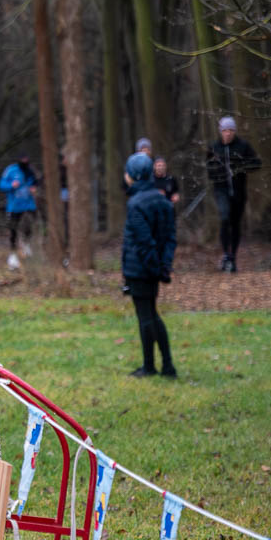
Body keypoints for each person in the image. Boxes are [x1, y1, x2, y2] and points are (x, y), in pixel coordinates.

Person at [121, 151, 176, 379]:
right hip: (153, 268)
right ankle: (161, 366)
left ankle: (155, 366)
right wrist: (164, 267)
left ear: (134, 175)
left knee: (147, 316)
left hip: (141, 269)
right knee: (151, 314)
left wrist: (155, 268)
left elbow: (144, 242)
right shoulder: (163, 201)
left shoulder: (136, 204)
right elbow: (170, 239)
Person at [206, 115, 260, 273]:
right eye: (225, 130)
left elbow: (256, 163)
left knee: (235, 224)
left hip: (238, 191)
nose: (227, 133)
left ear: (234, 131)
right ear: (220, 131)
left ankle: (233, 257)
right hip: (221, 190)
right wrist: (219, 171)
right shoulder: (214, 147)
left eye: (230, 130)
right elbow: (209, 168)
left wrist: (240, 167)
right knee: (224, 218)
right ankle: (226, 254)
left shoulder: (243, 146)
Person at [0, 155, 38, 258]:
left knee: (29, 225)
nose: (24, 161)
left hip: (29, 205)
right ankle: (13, 252)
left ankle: (26, 244)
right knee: (13, 228)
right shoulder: (11, 170)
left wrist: (34, 189)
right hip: (14, 206)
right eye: (23, 159)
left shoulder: (30, 171)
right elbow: (1, 185)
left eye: (26, 159)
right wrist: (11, 185)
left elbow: (35, 183)